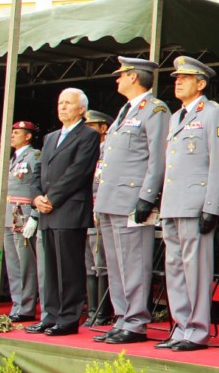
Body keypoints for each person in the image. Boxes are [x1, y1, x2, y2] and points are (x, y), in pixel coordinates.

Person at [93, 57, 168, 345]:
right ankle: (122, 318)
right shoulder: (126, 111)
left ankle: (135, 321)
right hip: (111, 198)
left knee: (133, 262)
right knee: (115, 263)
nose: (117, 80)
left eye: (121, 75)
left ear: (134, 77)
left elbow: (157, 157)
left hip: (132, 198)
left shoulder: (155, 110)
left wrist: (147, 197)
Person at [159, 56, 219, 351]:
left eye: (185, 78)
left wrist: (212, 206)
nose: (178, 81)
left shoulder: (213, 113)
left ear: (200, 84)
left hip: (195, 202)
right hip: (173, 203)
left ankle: (198, 330)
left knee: (195, 269)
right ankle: (181, 327)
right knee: (175, 268)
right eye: (177, 77)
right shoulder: (176, 117)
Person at [27, 89, 99, 336]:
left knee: (69, 268)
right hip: (46, 211)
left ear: (81, 109)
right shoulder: (50, 138)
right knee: (50, 269)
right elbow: (39, 171)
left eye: (68, 103)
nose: (63, 107)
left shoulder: (88, 135)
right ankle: (50, 315)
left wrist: (52, 198)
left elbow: (78, 172)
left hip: (69, 209)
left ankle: (68, 318)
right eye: (60, 103)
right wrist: (36, 197)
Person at [4, 121, 41, 322]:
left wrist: (34, 214)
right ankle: (17, 304)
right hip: (9, 214)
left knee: (25, 262)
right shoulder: (12, 158)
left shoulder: (34, 156)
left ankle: (26, 307)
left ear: (27, 136)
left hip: (23, 213)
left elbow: (39, 184)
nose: (12, 135)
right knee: (13, 263)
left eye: (17, 133)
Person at [84, 109, 113, 323]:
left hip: (101, 211)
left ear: (103, 129)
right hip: (86, 211)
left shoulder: (108, 151)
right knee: (88, 263)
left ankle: (102, 312)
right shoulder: (87, 152)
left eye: (91, 127)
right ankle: (92, 311)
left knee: (100, 263)